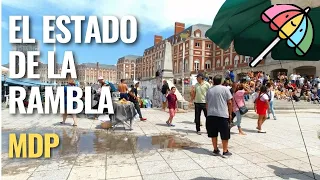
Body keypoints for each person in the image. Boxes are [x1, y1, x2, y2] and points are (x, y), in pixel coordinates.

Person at [206, 75, 233, 157]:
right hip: (222, 115)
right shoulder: (225, 89)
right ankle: (225, 151)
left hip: (211, 115)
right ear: (221, 81)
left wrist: (208, 113)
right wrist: (230, 113)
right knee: (225, 134)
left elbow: (207, 103)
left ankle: (215, 149)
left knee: (213, 133)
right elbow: (230, 102)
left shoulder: (209, 90)